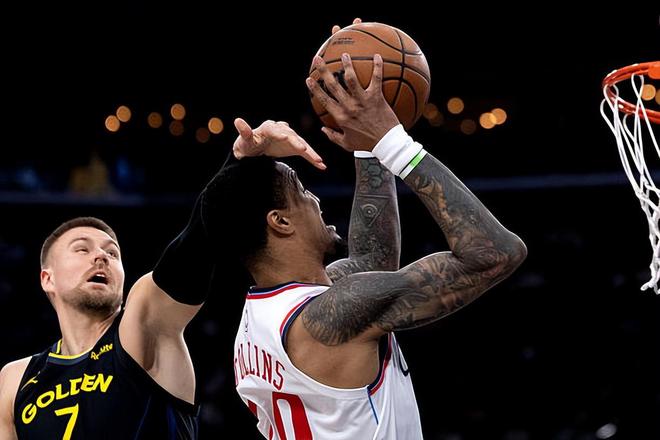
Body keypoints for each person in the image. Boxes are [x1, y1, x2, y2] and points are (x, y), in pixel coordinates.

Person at [217, 53, 528, 438]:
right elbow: (495, 254)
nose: (315, 199)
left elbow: (372, 259)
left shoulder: (270, 314)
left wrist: (367, 146)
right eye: (302, 192)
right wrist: (393, 143)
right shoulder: (332, 314)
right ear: (279, 222)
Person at [0, 127, 323, 438]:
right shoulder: (15, 379)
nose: (100, 257)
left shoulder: (140, 328)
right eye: (82, 249)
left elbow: (196, 243)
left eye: (112, 253)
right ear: (47, 278)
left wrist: (238, 161)